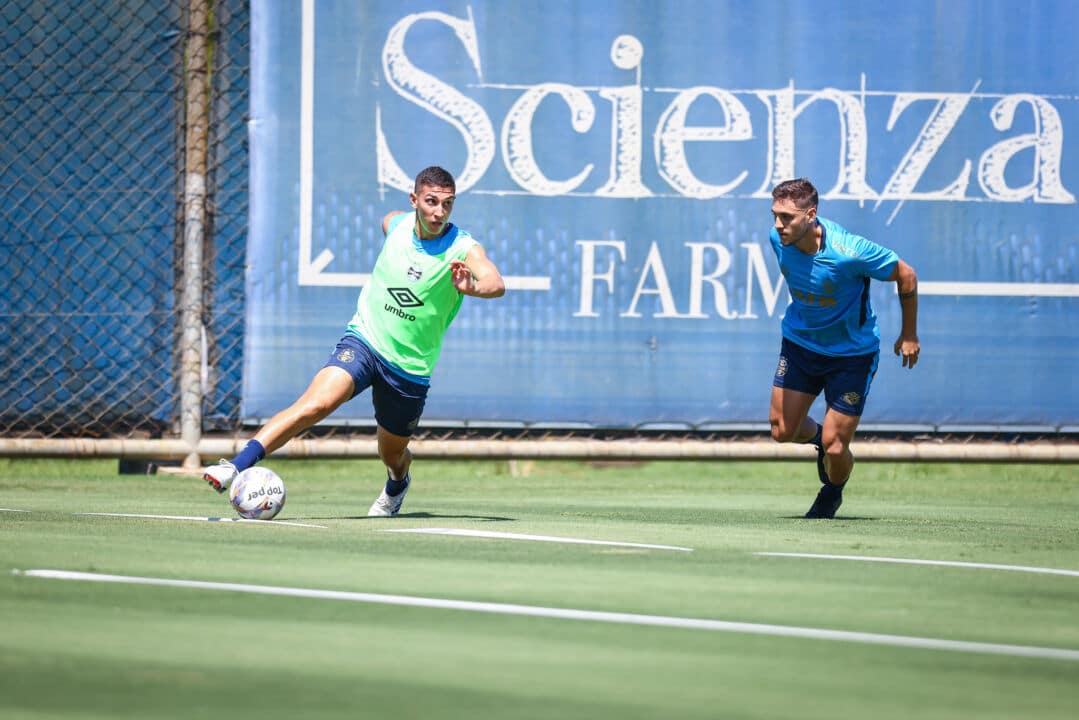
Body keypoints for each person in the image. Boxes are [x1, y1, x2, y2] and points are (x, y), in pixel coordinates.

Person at [205, 166, 505, 516]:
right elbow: (389, 222)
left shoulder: (462, 246)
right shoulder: (397, 224)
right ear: (414, 201)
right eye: (431, 202)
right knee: (316, 403)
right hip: (364, 340)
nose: (439, 212)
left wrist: (473, 287)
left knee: (392, 454)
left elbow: (495, 282)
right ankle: (236, 465)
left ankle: (397, 483)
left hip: (409, 367)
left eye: (447, 204)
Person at [766, 178, 919, 519]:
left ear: (811, 215)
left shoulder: (850, 251)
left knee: (837, 449)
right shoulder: (778, 239)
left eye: (787, 217)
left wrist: (909, 335)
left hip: (852, 355)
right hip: (801, 344)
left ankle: (831, 491)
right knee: (782, 431)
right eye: (775, 215)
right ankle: (820, 438)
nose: (778, 225)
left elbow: (906, 275)